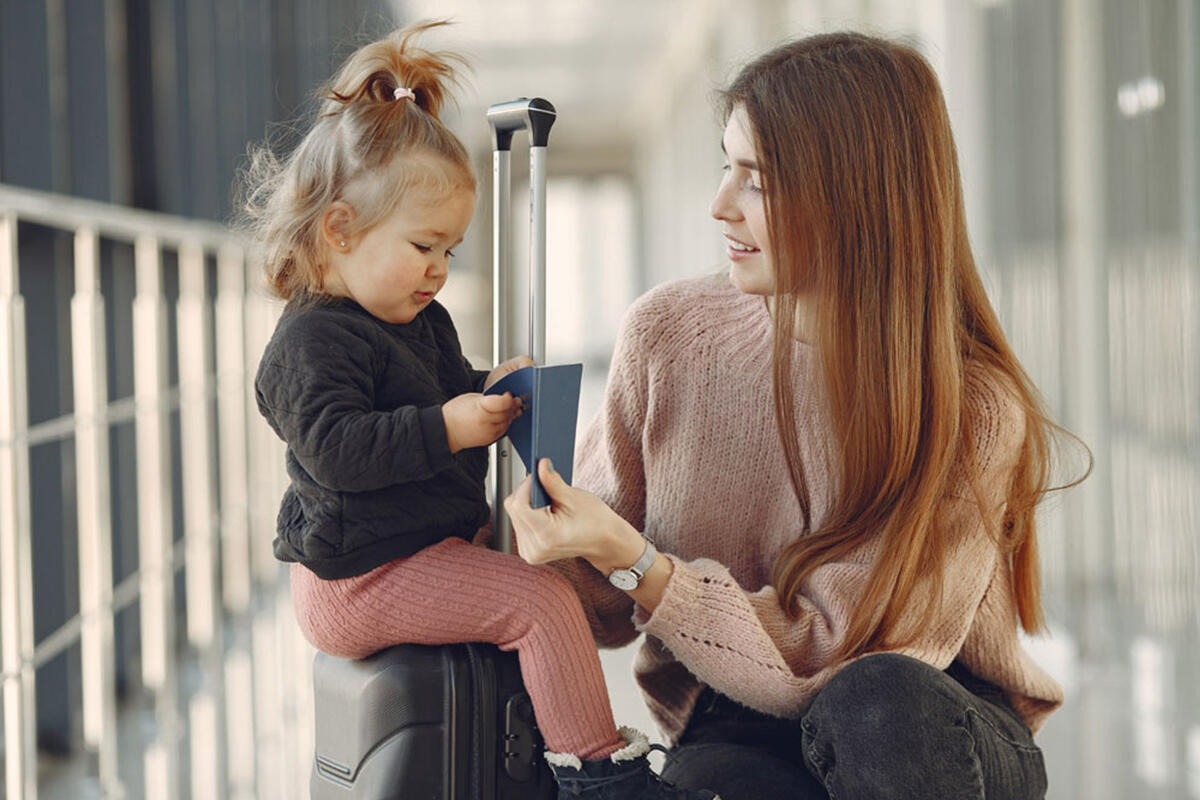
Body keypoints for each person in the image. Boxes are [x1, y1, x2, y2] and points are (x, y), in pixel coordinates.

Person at [504, 31, 1086, 800]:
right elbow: (607, 608)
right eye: (725, 165)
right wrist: (527, 496)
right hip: (738, 715)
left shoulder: (972, 409)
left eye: (757, 180)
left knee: (878, 707)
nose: (719, 205)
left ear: (854, 196)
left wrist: (646, 567)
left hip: (931, 717)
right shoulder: (668, 337)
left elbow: (839, 659)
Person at [245, 21, 720, 800]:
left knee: (541, 572)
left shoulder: (412, 315)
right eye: (423, 245)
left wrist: (486, 384)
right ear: (340, 229)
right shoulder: (310, 343)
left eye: (450, 252)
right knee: (538, 604)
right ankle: (600, 773)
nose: (437, 269)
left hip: (408, 545)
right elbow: (339, 450)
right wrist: (446, 427)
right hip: (358, 578)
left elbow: (433, 384)